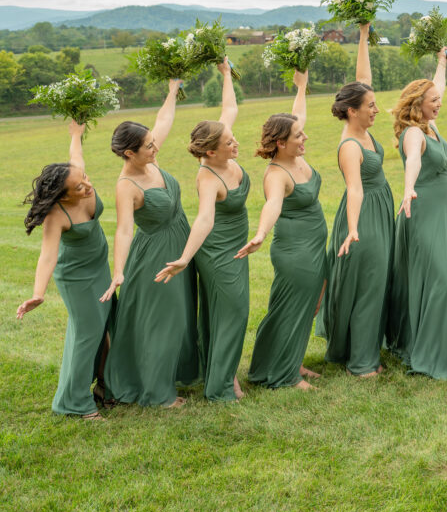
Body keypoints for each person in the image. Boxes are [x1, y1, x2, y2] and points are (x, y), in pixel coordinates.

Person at [101, 79, 199, 408]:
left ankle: (168, 375)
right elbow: (124, 230)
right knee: (164, 323)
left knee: (181, 318)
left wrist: (172, 91)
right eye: (148, 146)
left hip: (179, 244)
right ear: (129, 153)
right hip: (155, 257)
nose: (155, 147)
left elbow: (163, 121)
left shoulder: (150, 160)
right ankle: (158, 394)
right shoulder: (126, 184)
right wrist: (118, 272)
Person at [155, 59, 249, 402]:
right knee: (233, 314)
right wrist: (184, 258)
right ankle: (223, 385)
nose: (235, 143)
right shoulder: (208, 176)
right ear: (210, 151)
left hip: (237, 248)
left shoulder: (220, 145)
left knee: (224, 315)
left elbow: (230, 107)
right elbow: (205, 220)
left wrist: (225, 74)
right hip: (218, 254)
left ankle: (223, 372)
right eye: (229, 143)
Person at [236, 69, 327, 391]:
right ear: (281, 143)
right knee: (291, 307)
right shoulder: (276, 173)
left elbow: (297, 116)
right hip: (295, 251)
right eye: (299, 136)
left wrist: (302, 86)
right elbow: (272, 204)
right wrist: (260, 233)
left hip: (315, 246)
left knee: (310, 305)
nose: (305, 138)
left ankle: (294, 361)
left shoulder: (295, 153)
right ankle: (283, 375)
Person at [17, 121, 113, 420]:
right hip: (77, 279)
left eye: (84, 179)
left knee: (106, 332)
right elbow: (48, 256)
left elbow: (78, 160)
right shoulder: (56, 215)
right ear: (62, 195)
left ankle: (105, 388)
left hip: (101, 270)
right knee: (87, 335)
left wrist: (75, 134)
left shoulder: (81, 182)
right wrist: (38, 293)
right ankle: (73, 402)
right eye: (79, 187)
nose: (87, 185)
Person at [315, 23, 393, 377]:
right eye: (371, 106)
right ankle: (361, 362)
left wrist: (362, 36)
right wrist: (352, 230)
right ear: (352, 111)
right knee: (369, 287)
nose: (377, 109)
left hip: (379, 212)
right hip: (362, 219)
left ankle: (364, 348)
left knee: (377, 282)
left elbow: (363, 80)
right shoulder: (349, 145)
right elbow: (355, 189)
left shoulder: (363, 129)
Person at [387, 51, 447, 379]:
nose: (438, 103)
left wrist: (441, 62)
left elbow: (438, 87)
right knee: (438, 280)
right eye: (432, 101)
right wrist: (408, 189)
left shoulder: (430, 123)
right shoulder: (413, 133)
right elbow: (413, 161)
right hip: (423, 210)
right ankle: (431, 355)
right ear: (417, 103)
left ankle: (436, 340)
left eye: (438, 100)